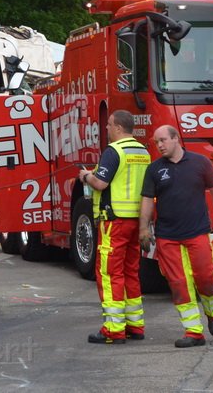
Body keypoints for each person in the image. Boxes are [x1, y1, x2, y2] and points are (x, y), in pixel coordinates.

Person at [139, 125, 213, 348]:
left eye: (163, 140)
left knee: (207, 278)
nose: (159, 145)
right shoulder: (154, 170)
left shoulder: (200, 163)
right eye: (156, 142)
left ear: (175, 139)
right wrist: (143, 229)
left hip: (197, 232)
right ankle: (193, 331)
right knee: (179, 283)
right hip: (167, 236)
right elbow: (146, 200)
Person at [79, 110, 151, 345]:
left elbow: (100, 183)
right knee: (131, 272)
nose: (107, 128)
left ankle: (113, 328)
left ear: (119, 128)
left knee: (109, 273)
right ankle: (135, 325)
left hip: (115, 221)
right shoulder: (143, 152)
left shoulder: (114, 151)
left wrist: (86, 176)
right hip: (137, 221)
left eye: (109, 124)